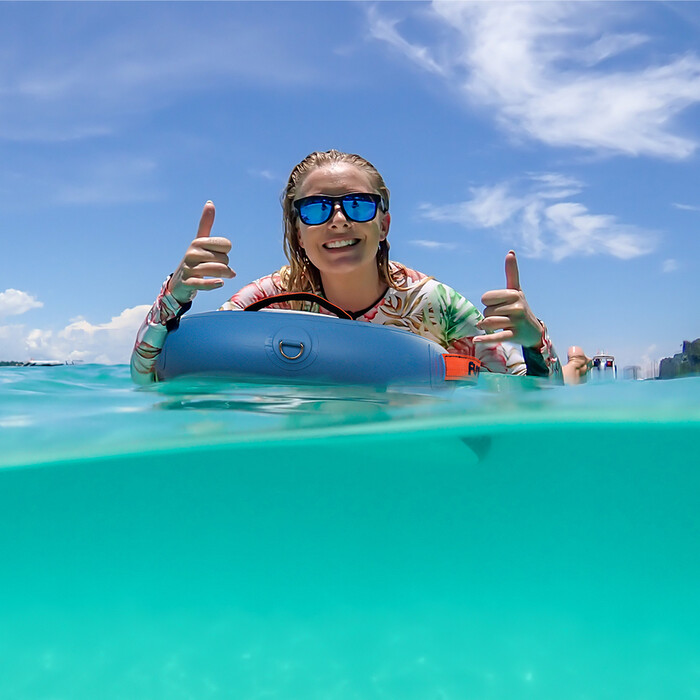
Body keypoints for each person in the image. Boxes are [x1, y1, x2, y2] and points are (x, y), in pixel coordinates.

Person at [131, 150, 561, 384]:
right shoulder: (265, 304)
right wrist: (175, 297)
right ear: (298, 232)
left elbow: (537, 395)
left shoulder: (434, 304)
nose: (339, 219)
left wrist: (533, 339)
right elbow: (149, 377)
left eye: (357, 204)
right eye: (316, 209)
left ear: (383, 223)